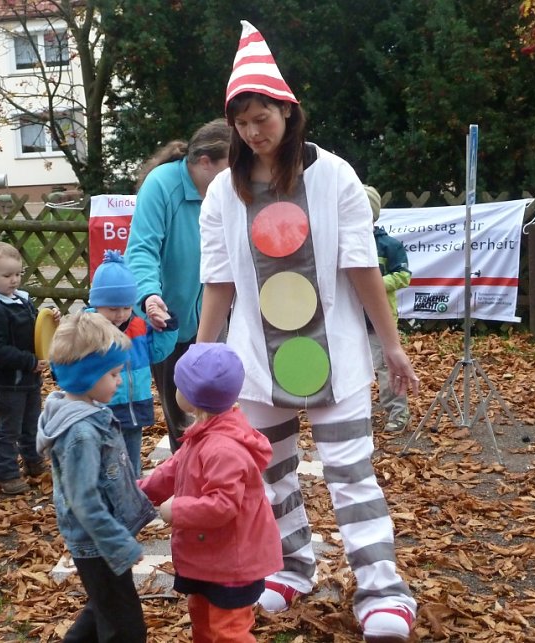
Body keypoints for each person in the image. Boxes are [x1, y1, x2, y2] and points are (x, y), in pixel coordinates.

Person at [196, 21, 419, 642]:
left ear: (288, 112)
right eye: (241, 121)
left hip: (338, 355)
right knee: (270, 474)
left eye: (261, 115)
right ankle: (290, 565)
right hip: (255, 364)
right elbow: (219, 282)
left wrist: (391, 345)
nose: (251, 130)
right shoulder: (222, 193)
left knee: (352, 473)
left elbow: (361, 266)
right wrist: (202, 357)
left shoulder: (336, 176)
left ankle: (382, 591)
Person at [138, 343, 282, 642]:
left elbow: (223, 505)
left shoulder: (223, 448)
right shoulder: (204, 432)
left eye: (179, 384)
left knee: (228, 630)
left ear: (192, 397)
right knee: (202, 617)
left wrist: (175, 510)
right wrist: (139, 492)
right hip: (210, 556)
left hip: (233, 562)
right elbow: (175, 468)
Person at [36, 310, 156, 643]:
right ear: (87, 377)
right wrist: (119, 543)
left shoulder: (89, 410)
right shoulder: (81, 433)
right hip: (98, 544)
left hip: (101, 541)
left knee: (104, 606)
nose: (120, 381)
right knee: (126, 629)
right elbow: (84, 499)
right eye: (114, 374)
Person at [124, 118, 231, 453]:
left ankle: (221, 483)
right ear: (204, 163)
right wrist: (149, 296)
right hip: (166, 324)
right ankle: (189, 489)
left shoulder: (228, 191)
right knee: (182, 419)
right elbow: (142, 248)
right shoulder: (162, 186)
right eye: (232, 164)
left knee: (222, 411)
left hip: (216, 321)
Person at [86, 249, 179, 474]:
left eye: (126, 308)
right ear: (96, 304)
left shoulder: (138, 327)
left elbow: (157, 352)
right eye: (113, 308)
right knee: (105, 463)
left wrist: (167, 327)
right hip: (101, 409)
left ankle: (133, 497)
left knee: (131, 461)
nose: (120, 314)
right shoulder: (87, 330)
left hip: (133, 407)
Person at [0, 241, 55, 495]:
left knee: (31, 423)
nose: (14, 280)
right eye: (7, 275)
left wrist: (49, 318)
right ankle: (7, 473)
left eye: (18, 274)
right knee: (8, 429)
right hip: (8, 381)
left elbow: (36, 330)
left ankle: (34, 462)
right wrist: (30, 361)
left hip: (30, 377)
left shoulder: (21, 300)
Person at [364, 185, 412, 433]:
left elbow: (404, 276)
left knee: (386, 367)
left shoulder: (388, 246)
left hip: (379, 321)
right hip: (350, 319)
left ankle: (397, 412)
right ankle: (359, 413)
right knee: (352, 368)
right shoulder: (341, 243)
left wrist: (373, 284)